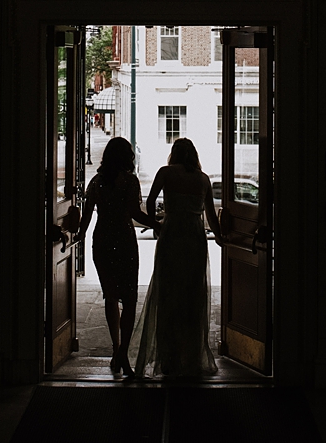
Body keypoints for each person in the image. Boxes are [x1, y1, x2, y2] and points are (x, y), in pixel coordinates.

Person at [131, 138, 223, 379]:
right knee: (192, 298)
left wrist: (155, 224)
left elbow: (149, 201)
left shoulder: (165, 173)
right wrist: (222, 237)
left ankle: (167, 358)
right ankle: (190, 357)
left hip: (171, 234)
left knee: (168, 295)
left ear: (174, 154)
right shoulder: (203, 179)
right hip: (194, 237)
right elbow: (212, 218)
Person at [76, 137, 161, 376]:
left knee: (110, 297)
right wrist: (157, 224)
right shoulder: (130, 181)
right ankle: (123, 352)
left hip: (102, 241)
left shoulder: (96, 182)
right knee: (130, 298)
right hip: (124, 242)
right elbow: (135, 213)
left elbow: (86, 218)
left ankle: (116, 349)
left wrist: (78, 236)